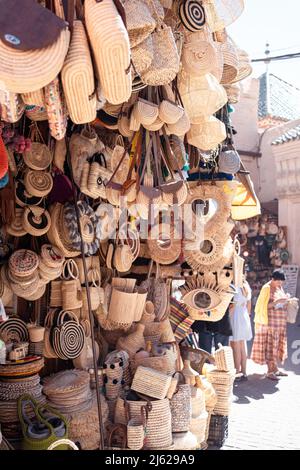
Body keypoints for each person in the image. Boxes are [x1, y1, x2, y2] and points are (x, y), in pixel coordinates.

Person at [251, 269, 289, 380]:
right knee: (270, 347)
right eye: (278, 282)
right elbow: (262, 306)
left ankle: (275, 369)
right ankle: (270, 371)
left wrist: (286, 300)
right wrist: (277, 302)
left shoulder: (278, 287)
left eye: (282, 282)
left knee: (276, 347)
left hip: (279, 324)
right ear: (273, 279)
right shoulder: (266, 288)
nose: (280, 284)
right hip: (269, 324)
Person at [229, 275, 252, 381]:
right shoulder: (246, 285)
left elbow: (232, 307)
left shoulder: (233, 286)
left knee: (236, 346)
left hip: (236, 316)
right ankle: (244, 372)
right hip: (244, 315)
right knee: (243, 345)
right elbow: (249, 305)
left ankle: (237, 372)